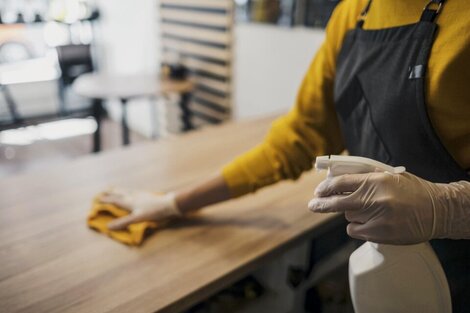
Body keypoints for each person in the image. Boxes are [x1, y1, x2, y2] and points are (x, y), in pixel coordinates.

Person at [100, 0, 470, 310]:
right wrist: (173, 204)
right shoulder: (355, 11)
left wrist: (447, 208)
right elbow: (298, 138)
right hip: (383, 259)